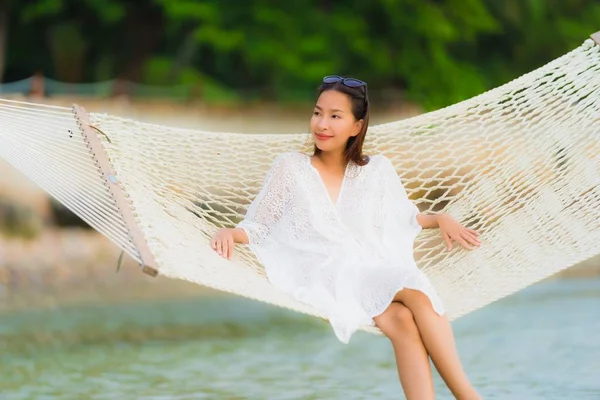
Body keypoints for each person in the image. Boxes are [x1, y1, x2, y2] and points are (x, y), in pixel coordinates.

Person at [210, 75, 482, 400]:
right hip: (325, 273)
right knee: (416, 290)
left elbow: (404, 217)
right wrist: (231, 231)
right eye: (318, 113)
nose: (322, 124)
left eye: (335, 116)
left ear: (356, 126)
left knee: (404, 322)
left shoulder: (376, 171)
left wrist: (439, 218)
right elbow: (259, 226)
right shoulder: (290, 168)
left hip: (369, 271)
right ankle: (469, 397)